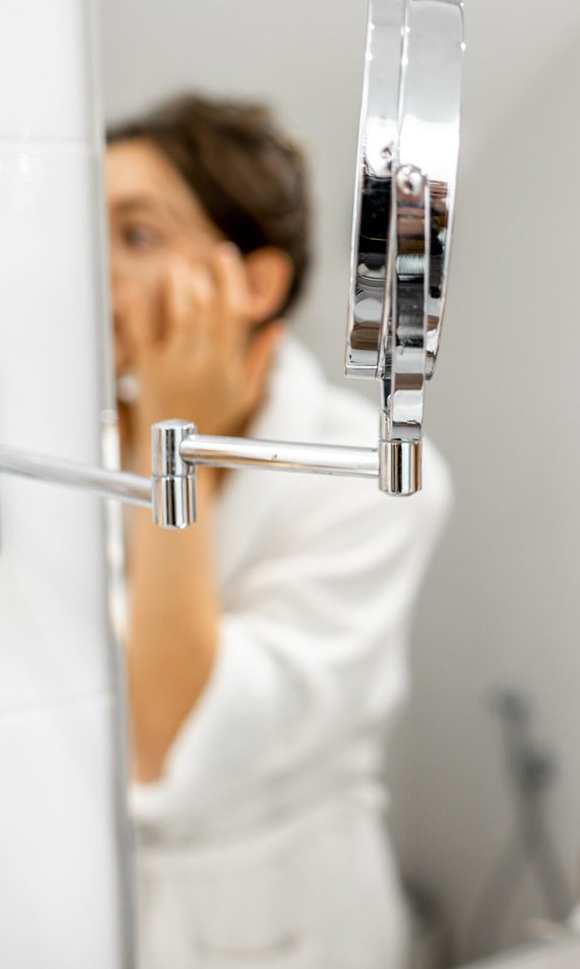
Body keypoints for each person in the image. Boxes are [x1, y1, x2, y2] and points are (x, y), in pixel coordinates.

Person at [105, 94, 449, 967]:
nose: (92, 269)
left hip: (295, 924)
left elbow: (172, 744)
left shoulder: (376, 479)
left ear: (254, 282)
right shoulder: (62, 445)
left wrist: (167, 436)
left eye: (135, 235)